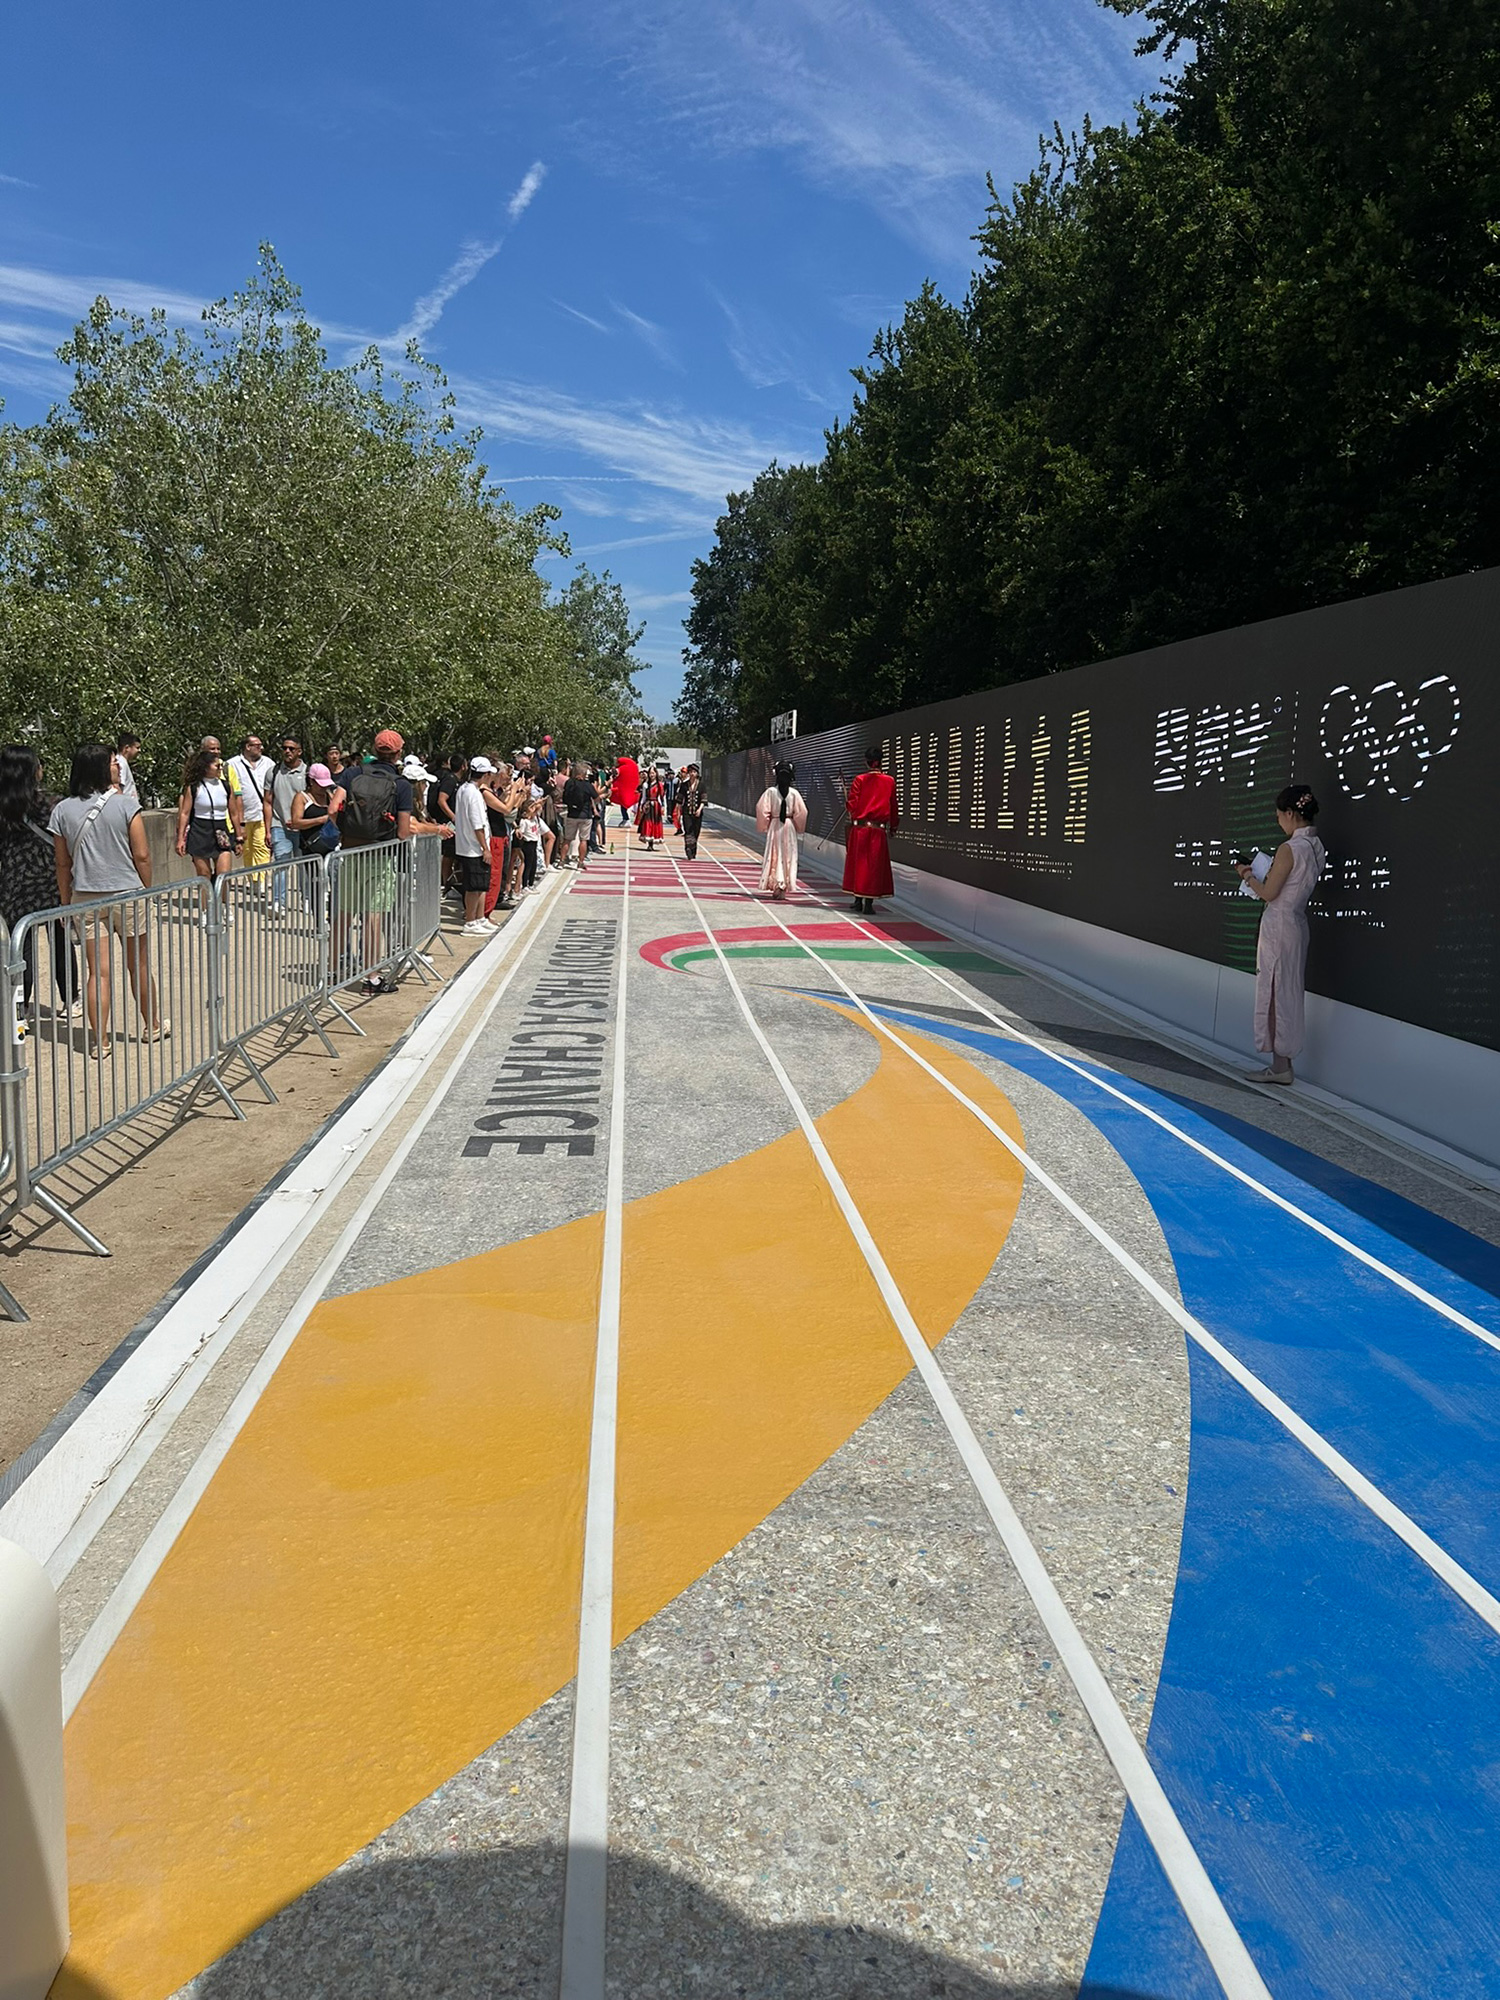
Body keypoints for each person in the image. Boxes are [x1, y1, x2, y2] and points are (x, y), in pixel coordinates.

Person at [50, 743, 165, 1052]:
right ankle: (151, 1025)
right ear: (101, 768)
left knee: (96, 972)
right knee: (138, 965)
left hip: (86, 896)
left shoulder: (62, 810)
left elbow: (63, 863)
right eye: (114, 763)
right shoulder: (126, 805)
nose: (118, 767)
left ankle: (99, 1041)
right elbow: (142, 855)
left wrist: (65, 900)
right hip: (127, 892)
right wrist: (148, 888)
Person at [1236, 783, 1327, 1085]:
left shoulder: (1289, 849)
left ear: (1290, 813)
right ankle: (1283, 1062)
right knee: (1288, 990)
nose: (1278, 822)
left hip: (1279, 925)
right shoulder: (1316, 847)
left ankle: (1280, 1066)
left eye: (1279, 816)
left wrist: (1247, 875)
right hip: (1297, 924)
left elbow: (1270, 893)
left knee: (1275, 992)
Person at [0, 745, 77, 1015]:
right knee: (60, 942)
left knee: (22, 948)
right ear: (33, 771)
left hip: (15, 886)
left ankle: (20, 1005)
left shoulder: (4, 807)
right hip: (52, 883)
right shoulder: (51, 804)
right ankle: (71, 999)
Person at [842, 745, 899, 915]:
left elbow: (852, 805)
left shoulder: (859, 780)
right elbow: (893, 806)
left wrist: (849, 805)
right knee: (874, 866)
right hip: (878, 830)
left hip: (860, 828)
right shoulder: (889, 781)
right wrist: (894, 826)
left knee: (858, 865)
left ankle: (858, 900)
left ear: (866, 762)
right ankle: (868, 903)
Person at [176, 746, 243, 880]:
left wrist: (238, 836)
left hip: (220, 830)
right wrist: (180, 839)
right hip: (200, 831)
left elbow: (234, 813)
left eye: (220, 766)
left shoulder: (225, 786)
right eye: (216, 766)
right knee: (204, 875)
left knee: (223, 875)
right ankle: (206, 901)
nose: (220, 769)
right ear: (205, 767)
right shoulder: (194, 787)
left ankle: (221, 900)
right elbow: (185, 813)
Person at [452, 758, 494, 936]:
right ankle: (470, 921)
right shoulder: (474, 794)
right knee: (473, 886)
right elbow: (478, 824)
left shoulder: (464, 789)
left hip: (468, 845)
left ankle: (478, 918)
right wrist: (485, 848)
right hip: (474, 846)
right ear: (485, 775)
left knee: (479, 885)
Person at [756, 761, 808, 901]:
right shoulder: (794, 794)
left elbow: (762, 809)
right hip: (789, 826)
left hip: (775, 825)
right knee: (788, 855)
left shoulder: (770, 792)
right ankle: (783, 884)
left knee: (774, 854)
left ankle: (776, 884)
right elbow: (802, 812)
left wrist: (764, 825)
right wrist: (799, 827)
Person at [229, 734, 276, 885]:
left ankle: (260, 880)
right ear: (248, 747)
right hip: (242, 816)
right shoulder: (232, 764)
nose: (261, 748)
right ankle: (252, 877)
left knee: (262, 847)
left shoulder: (268, 763)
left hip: (262, 813)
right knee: (247, 850)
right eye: (257, 745)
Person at [269, 734, 308, 911]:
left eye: (291, 749)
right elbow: (267, 801)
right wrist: (268, 828)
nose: (287, 751)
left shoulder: (308, 772)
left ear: (299, 751)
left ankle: (307, 898)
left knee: (304, 865)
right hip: (280, 825)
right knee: (281, 863)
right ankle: (279, 902)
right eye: (284, 748)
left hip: (303, 827)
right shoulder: (274, 771)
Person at [560, 761, 596, 870]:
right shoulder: (587, 785)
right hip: (585, 815)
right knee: (583, 840)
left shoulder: (569, 783)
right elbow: (596, 797)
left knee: (567, 839)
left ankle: (561, 861)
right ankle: (580, 862)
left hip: (572, 814)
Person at [678, 764, 706, 861]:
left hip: (697, 812)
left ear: (697, 773)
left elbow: (703, 799)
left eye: (694, 772)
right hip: (687, 812)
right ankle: (688, 850)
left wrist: (700, 809)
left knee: (696, 832)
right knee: (688, 831)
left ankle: (694, 850)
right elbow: (680, 800)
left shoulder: (701, 785)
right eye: (690, 772)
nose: (692, 774)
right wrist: (678, 812)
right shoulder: (684, 785)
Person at [637, 764, 667, 850]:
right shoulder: (645, 785)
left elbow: (661, 797)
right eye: (650, 773)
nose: (652, 775)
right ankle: (649, 843)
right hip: (648, 805)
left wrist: (663, 806)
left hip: (656, 806)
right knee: (648, 823)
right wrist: (641, 805)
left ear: (656, 774)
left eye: (653, 773)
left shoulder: (659, 785)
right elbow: (643, 797)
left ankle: (653, 841)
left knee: (655, 823)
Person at [610, 750, 640, 827]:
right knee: (624, 805)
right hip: (629, 790)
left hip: (623, 791)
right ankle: (626, 819)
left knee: (624, 806)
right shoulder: (633, 768)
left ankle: (626, 819)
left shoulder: (622, 768)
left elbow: (615, 772)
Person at [114, 732, 143, 805]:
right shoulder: (120, 763)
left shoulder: (123, 762)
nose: (139, 751)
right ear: (127, 748)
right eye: (137, 748)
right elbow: (118, 787)